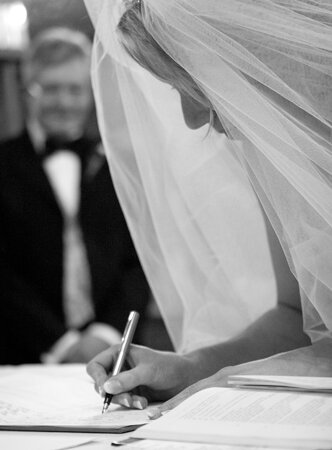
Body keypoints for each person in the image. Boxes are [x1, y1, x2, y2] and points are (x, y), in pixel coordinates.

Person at [84, 0, 332, 414]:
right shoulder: (279, 162)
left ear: (262, 55)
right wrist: (191, 367)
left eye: (193, 82)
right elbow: (300, 321)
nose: (191, 118)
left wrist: (243, 380)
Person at [0, 27, 150, 365]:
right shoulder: (5, 165)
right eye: (51, 89)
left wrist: (106, 334)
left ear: (90, 94)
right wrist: (62, 344)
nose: (64, 102)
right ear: (28, 92)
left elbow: (138, 259)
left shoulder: (117, 167)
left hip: (113, 353)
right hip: (20, 356)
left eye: (74, 89)